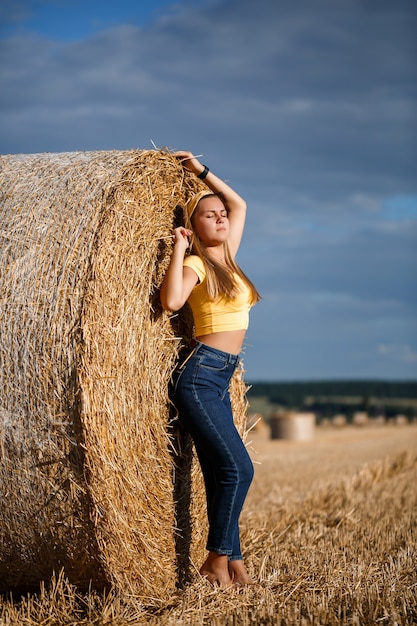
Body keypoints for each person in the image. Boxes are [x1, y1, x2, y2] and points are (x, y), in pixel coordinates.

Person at [160, 150, 260, 588]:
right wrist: (180, 248)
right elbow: (171, 303)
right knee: (240, 469)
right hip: (200, 377)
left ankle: (233, 561)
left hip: (223, 378)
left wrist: (200, 172)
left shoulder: (230, 257)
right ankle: (215, 560)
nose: (221, 218)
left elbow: (239, 204)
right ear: (196, 227)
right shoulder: (199, 263)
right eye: (209, 215)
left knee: (223, 472)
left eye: (220, 215)